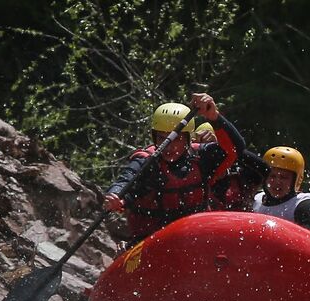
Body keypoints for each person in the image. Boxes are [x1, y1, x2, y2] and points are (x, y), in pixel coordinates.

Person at [103, 93, 245, 242]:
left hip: (196, 239)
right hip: (152, 243)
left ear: (188, 139)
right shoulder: (147, 164)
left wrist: (214, 117)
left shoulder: (202, 158)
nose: (168, 146)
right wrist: (115, 196)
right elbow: (126, 180)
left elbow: (236, 148)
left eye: (175, 139)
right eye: (161, 138)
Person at [252, 146, 310, 234]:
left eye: (284, 177)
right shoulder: (255, 200)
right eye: (272, 176)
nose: (277, 182)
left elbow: (308, 241)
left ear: (296, 180)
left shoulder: (304, 204)